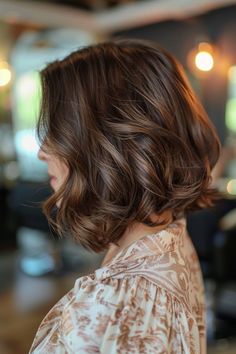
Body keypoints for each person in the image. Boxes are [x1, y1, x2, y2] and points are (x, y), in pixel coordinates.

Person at [29, 38, 220, 353]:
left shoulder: (123, 302)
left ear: (109, 144)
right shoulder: (170, 234)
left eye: (58, 130)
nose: (42, 151)